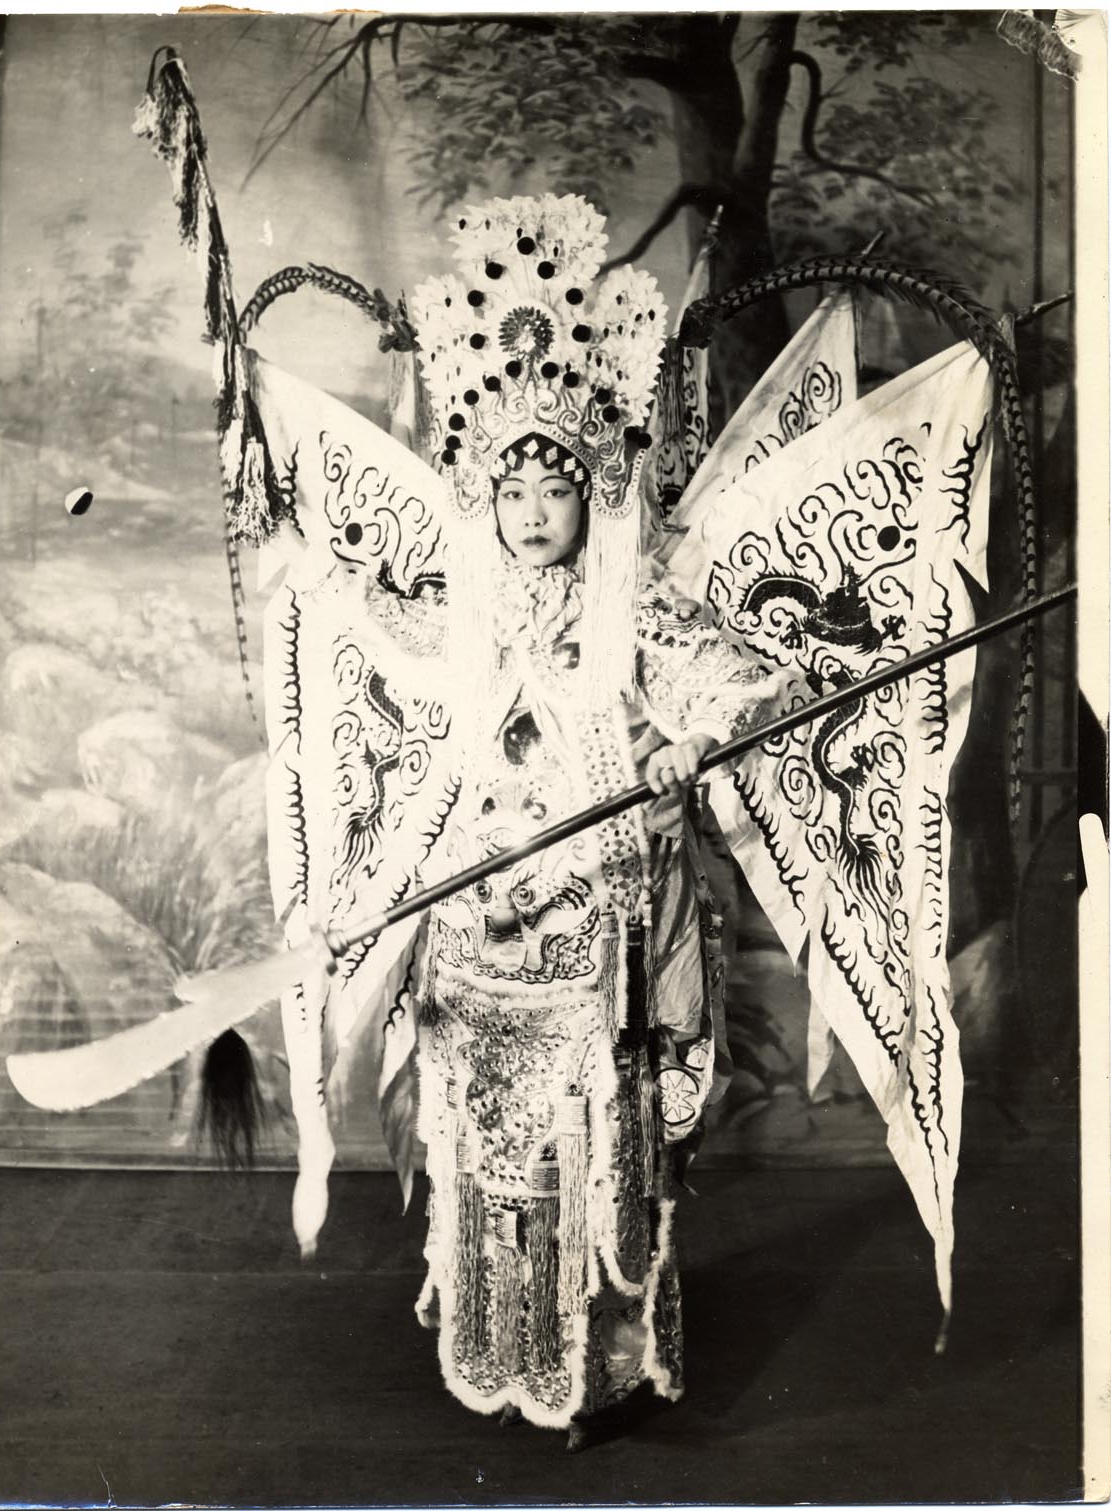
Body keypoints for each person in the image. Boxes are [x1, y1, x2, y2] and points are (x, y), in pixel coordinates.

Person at [277, 195, 792, 1447]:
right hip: (475, 905)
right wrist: (320, 572)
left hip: (595, 916)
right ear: (484, 497)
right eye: (507, 489)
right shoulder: (472, 606)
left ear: (588, 493)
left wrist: (682, 740)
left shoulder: (631, 603)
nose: (527, 511)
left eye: (552, 488)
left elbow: (744, 676)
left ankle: (594, 1363)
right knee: (486, 1142)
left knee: (589, 1144)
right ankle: (499, 1343)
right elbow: (402, 654)